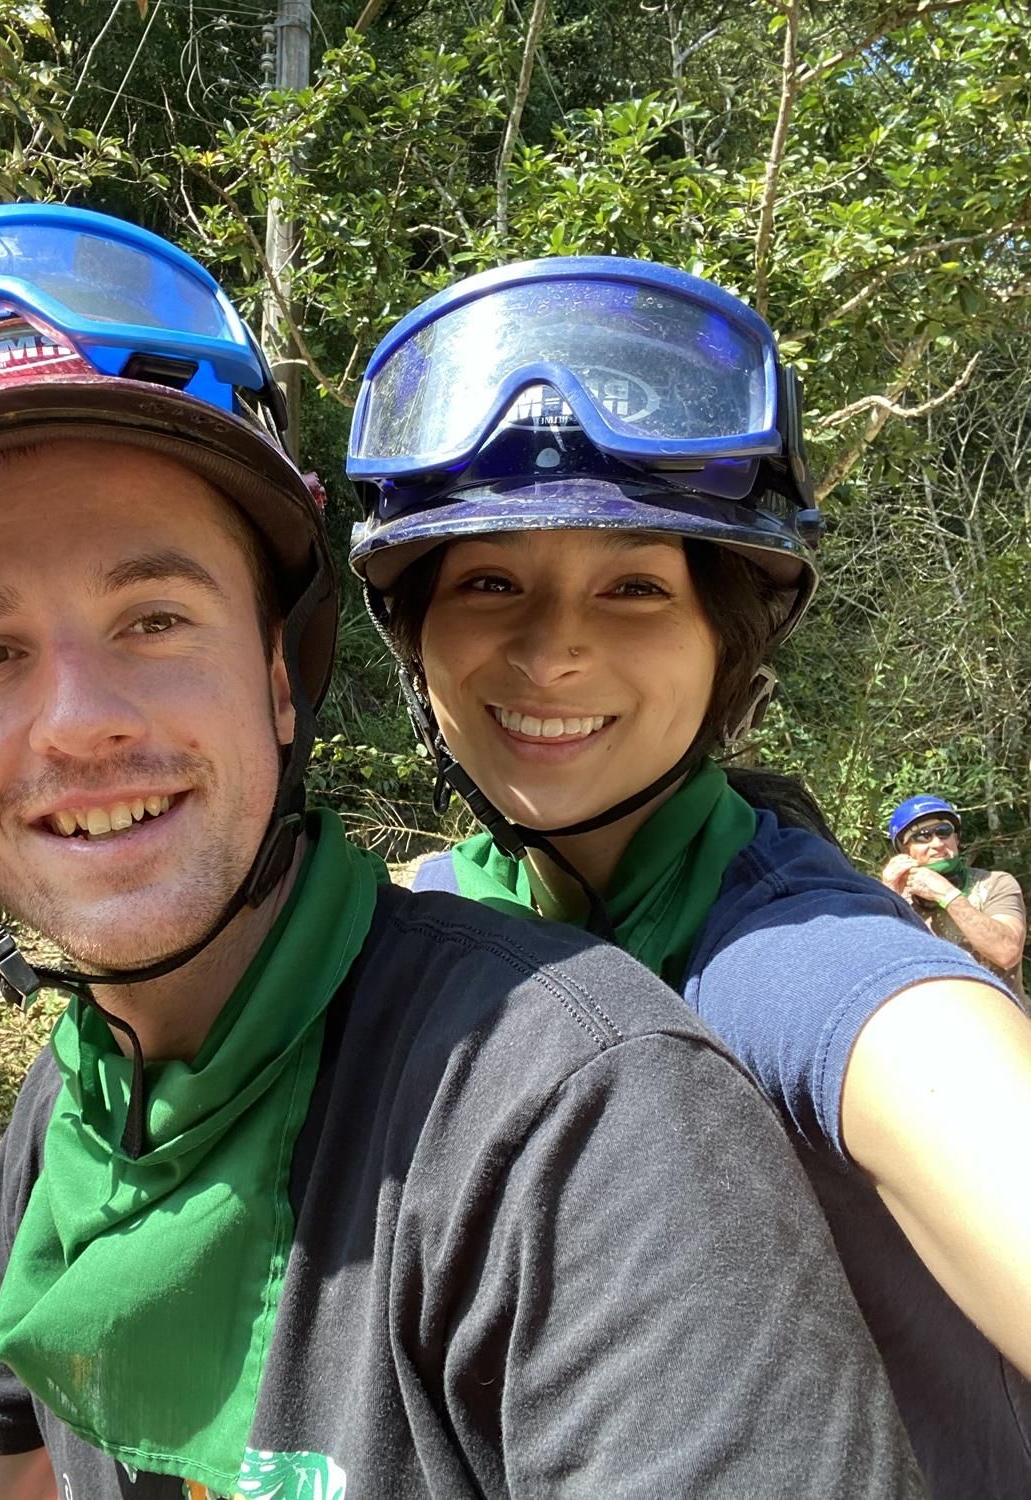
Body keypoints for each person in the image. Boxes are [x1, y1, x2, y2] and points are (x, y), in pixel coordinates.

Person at [0, 210, 923, 1500]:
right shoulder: (84, 1112)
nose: (79, 721)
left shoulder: (573, 1122)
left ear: (278, 678)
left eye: (154, 620)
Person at [345, 254, 1031, 1498]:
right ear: (417, 641)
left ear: (726, 647)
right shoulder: (430, 915)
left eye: (635, 588)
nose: (554, 649)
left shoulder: (810, 962)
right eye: (491, 579)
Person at [881, 794, 1027, 1003]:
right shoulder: (897, 899)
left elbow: (1006, 952)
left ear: (956, 839)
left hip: (1004, 1023)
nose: (938, 843)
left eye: (944, 832)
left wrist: (946, 894)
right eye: (922, 836)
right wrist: (888, 897)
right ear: (905, 850)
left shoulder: (994, 883)